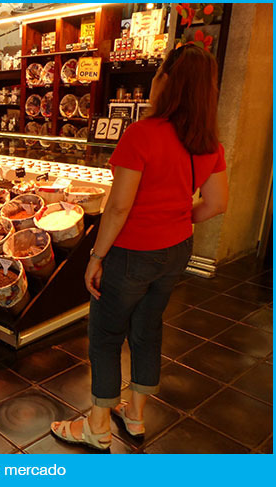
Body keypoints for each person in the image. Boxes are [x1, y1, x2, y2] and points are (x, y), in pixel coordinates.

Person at [51, 45, 229, 450]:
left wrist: (96, 257)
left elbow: (118, 207)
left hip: (131, 254)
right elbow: (216, 203)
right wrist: (179, 219)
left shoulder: (143, 133)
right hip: (177, 249)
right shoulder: (208, 141)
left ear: (167, 81)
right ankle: (134, 415)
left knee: (107, 335)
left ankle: (96, 427)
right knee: (148, 330)